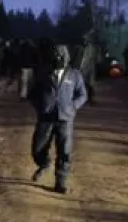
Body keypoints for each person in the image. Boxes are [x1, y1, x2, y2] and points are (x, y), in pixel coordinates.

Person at [27, 44, 88, 194]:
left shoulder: (74, 75)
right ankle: (44, 163)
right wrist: (40, 107)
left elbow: (82, 95)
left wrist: (73, 106)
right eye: (56, 55)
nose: (58, 58)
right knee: (38, 148)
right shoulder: (43, 74)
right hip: (46, 117)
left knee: (64, 151)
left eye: (61, 56)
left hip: (65, 119)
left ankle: (60, 182)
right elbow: (32, 94)